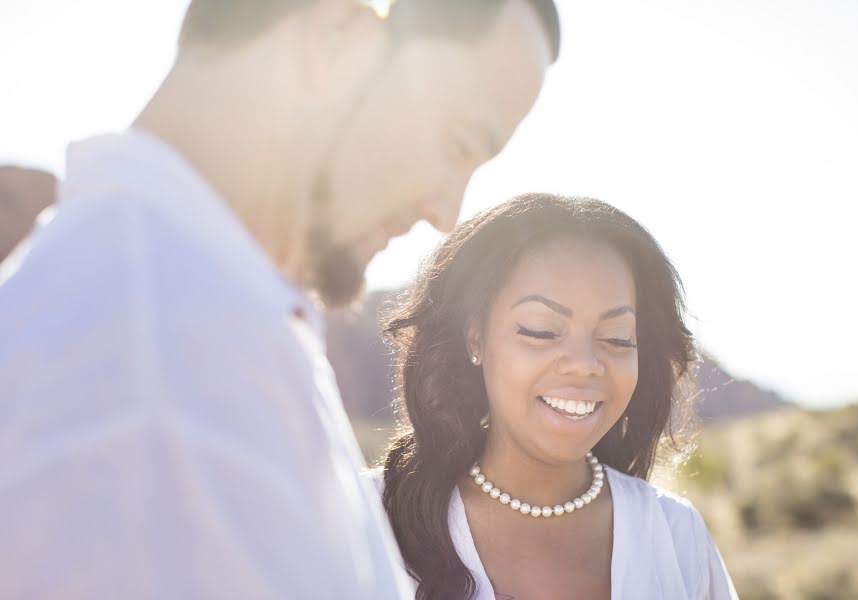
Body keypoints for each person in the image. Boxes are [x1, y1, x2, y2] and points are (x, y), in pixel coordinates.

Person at [0, 1, 559, 598]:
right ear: (336, 36)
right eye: (457, 143)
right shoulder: (158, 366)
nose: (445, 212)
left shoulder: (198, 313)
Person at [373, 194, 739, 599]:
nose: (585, 364)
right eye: (540, 330)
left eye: (617, 338)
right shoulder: (363, 518)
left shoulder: (675, 536)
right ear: (475, 337)